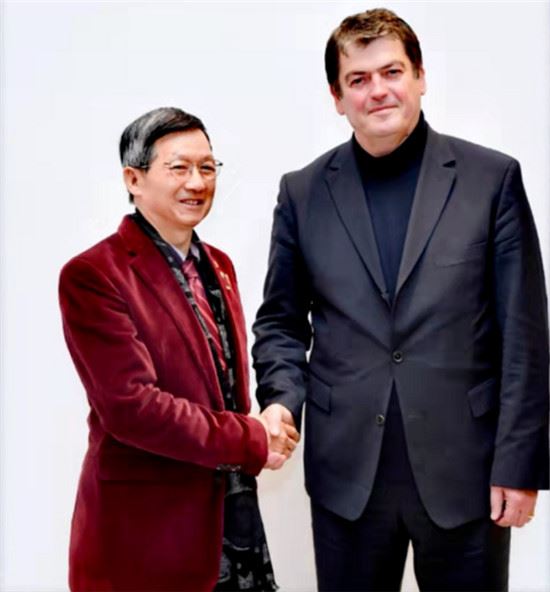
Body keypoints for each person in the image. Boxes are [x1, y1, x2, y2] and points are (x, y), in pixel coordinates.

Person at [252, 8, 549, 591]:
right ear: (337, 97)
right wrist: (281, 400)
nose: (378, 90)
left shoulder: (492, 180)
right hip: (346, 478)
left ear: (420, 77)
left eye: (391, 72)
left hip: (467, 473)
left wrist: (519, 464)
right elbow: (281, 323)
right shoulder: (302, 192)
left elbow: (524, 335)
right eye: (358, 79)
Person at [59, 107, 298, 592]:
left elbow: (225, 388)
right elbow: (132, 408)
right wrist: (252, 438)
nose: (197, 182)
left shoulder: (219, 265)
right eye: (179, 168)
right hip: (146, 533)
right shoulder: (94, 275)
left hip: (230, 518)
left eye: (207, 167)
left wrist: (273, 415)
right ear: (134, 179)